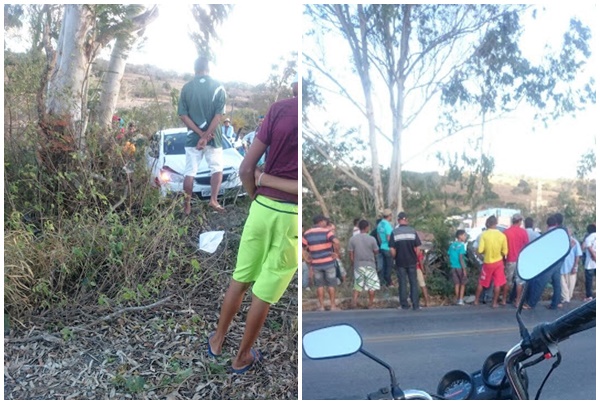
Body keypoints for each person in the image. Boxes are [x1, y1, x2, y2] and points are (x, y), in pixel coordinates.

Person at [207, 76, 298, 374]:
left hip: (261, 209)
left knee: (241, 278)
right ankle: (242, 357)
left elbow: (246, 168)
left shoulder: (279, 110)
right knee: (266, 288)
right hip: (292, 218)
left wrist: (258, 190)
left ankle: (217, 341)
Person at [178, 56, 227, 214]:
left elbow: (183, 116)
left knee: (190, 172)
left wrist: (200, 135)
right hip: (214, 137)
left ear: (194, 69)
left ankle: (187, 206)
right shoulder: (219, 87)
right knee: (216, 168)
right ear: (208, 69)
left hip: (193, 137)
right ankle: (213, 200)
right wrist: (206, 137)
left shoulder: (186, 88)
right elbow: (218, 116)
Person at [303, 214, 341, 311]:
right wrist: (336, 253)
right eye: (324, 221)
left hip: (316, 264)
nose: (325, 223)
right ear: (320, 222)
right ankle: (333, 306)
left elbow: (301, 246)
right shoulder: (327, 232)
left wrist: (306, 257)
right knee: (331, 284)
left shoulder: (307, 233)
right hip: (328, 262)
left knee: (319, 285)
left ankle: (321, 306)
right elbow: (336, 242)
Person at [390, 212, 422, 310]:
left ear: (398, 220)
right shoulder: (412, 231)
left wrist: (395, 257)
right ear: (406, 220)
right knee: (413, 283)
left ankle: (404, 304)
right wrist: (415, 258)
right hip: (412, 261)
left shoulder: (394, 232)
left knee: (402, 283)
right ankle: (415, 304)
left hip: (400, 262)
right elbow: (418, 249)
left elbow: (392, 249)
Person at [474, 215, 507, 308]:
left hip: (487, 262)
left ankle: (476, 300)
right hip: (498, 262)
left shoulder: (484, 235)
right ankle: (494, 303)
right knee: (498, 283)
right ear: (496, 223)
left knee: (481, 282)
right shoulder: (502, 235)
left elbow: (480, 250)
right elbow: (505, 251)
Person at [348, 219, 380, 308]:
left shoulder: (353, 239)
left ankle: (354, 302)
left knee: (357, 285)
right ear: (367, 228)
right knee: (371, 286)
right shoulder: (372, 239)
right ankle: (370, 304)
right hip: (370, 264)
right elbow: (376, 251)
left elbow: (351, 254)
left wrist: (353, 263)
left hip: (358, 264)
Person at [503, 213, 529, 307]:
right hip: (520, 260)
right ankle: (517, 302)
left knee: (507, 280)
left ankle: (504, 300)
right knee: (519, 282)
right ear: (519, 221)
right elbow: (527, 245)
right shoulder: (523, 232)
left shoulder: (506, 232)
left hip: (510, 259)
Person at [560, 228, 582, 304]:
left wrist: (575, 266)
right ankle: (566, 299)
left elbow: (577, 255)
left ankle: (567, 300)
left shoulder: (575, 242)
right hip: (561, 267)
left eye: (568, 232)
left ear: (570, 233)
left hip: (570, 267)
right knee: (563, 286)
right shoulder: (561, 241)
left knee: (570, 287)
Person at [448, 229, 468, 305]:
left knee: (456, 284)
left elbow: (449, 254)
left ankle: (457, 299)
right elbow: (461, 258)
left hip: (453, 266)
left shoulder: (452, 245)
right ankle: (461, 299)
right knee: (463, 283)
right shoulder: (462, 246)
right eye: (464, 235)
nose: (465, 237)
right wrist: (464, 269)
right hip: (460, 267)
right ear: (460, 236)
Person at [376, 209, 395, 287]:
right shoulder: (387, 225)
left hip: (382, 247)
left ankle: (382, 282)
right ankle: (389, 282)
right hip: (387, 248)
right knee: (389, 266)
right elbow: (389, 237)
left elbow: (378, 236)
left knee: (383, 266)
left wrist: (381, 244)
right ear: (389, 216)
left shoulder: (380, 224)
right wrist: (392, 246)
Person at [582, 224, 596, 302]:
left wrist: (594, 256)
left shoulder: (588, 238)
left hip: (590, 263)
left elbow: (586, 247)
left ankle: (589, 296)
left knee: (589, 280)